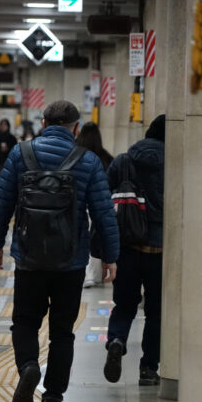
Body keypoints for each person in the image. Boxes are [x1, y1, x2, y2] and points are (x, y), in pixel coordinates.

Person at [0, 101, 120, 402]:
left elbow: (1, 202)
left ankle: (29, 367)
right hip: (70, 264)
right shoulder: (88, 161)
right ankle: (54, 401)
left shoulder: (20, 154)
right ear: (76, 128)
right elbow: (103, 213)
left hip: (29, 260)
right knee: (62, 333)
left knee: (25, 322)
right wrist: (110, 257)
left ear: (44, 123)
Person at [103, 114, 165, 387]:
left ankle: (117, 339)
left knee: (125, 304)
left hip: (128, 245)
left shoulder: (124, 161)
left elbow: (104, 198)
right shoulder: (175, 163)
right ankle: (148, 369)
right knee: (155, 312)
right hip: (160, 249)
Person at [76, 122, 114, 288]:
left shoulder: (74, 156)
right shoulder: (106, 158)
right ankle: (94, 275)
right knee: (96, 237)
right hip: (98, 205)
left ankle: (83, 273)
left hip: (77, 204)